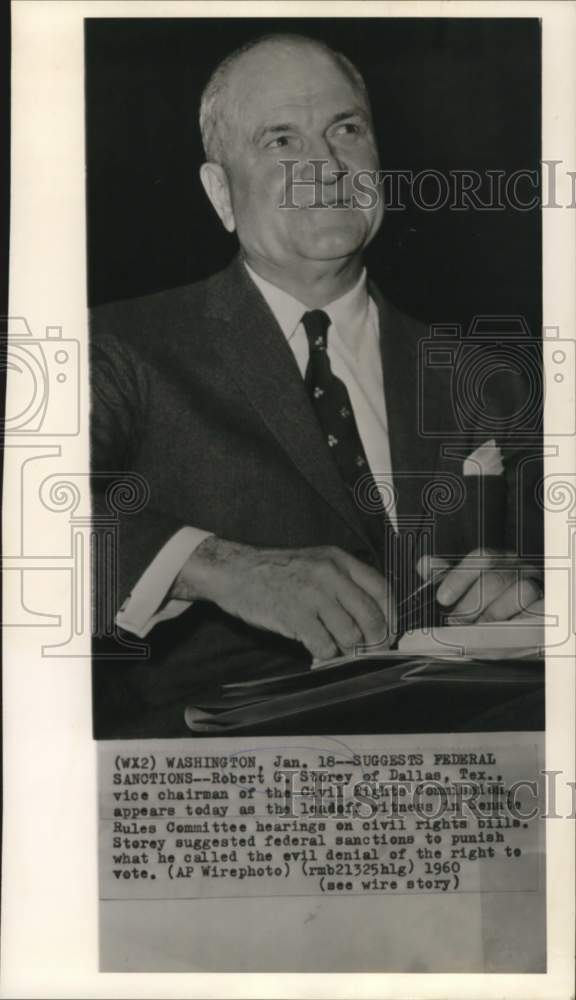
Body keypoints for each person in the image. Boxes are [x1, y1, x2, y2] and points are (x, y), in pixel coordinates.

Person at [90, 33, 543, 736]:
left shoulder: (486, 378)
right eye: (280, 140)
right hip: (215, 790)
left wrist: (533, 583)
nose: (325, 166)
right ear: (220, 192)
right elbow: (21, 516)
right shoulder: (118, 349)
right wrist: (213, 566)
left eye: (346, 130)